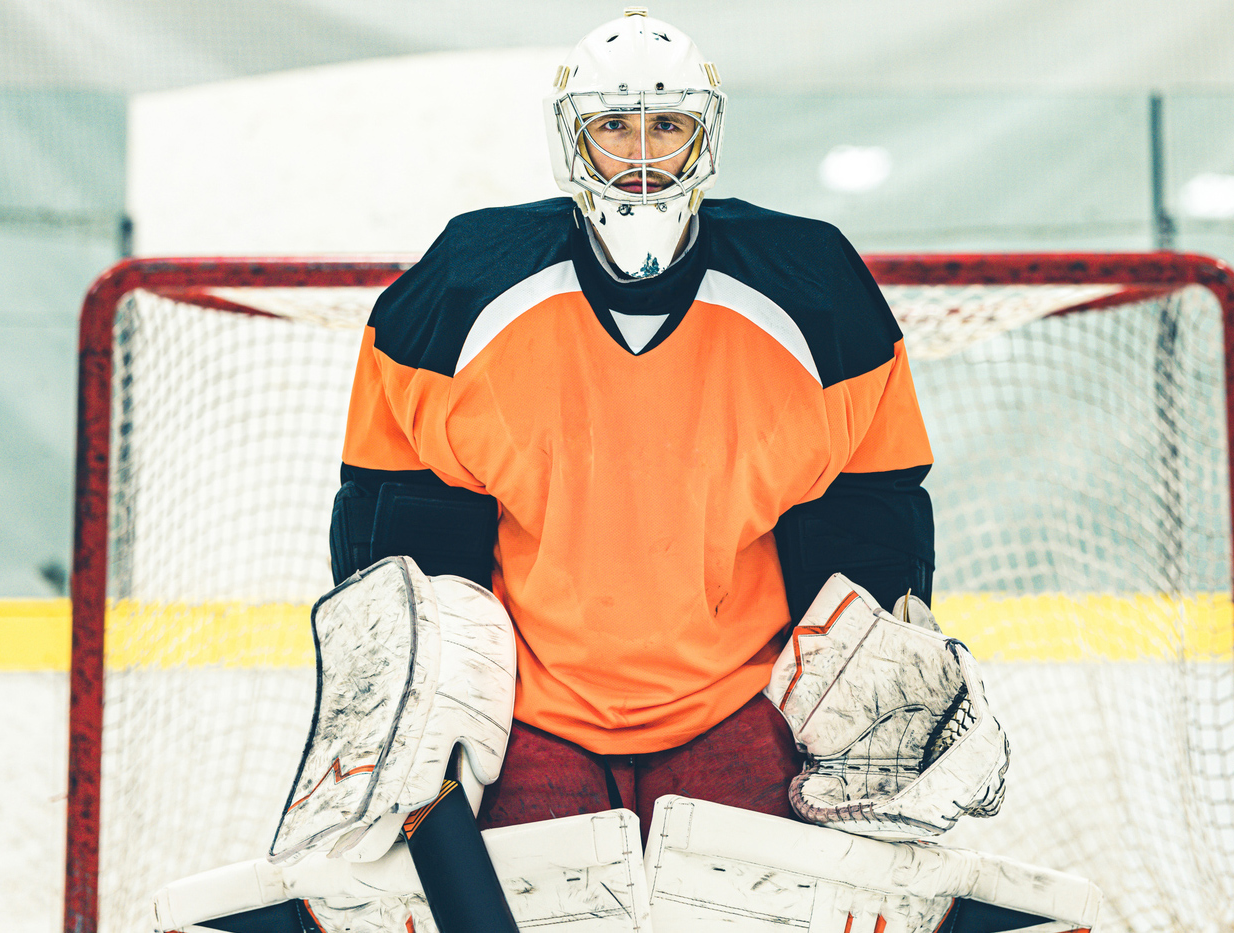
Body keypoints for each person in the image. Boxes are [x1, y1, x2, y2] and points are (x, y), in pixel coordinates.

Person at [330, 8, 935, 837]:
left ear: (705, 135)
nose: (643, 155)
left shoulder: (814, 290)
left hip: (740, 707)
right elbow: (398, 506)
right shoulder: (464, 287)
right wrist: (416, 697)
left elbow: (870, 506)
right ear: (572, 138)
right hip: (533, 718)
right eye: (615, 125)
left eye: (668, 126)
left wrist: (873, 689)